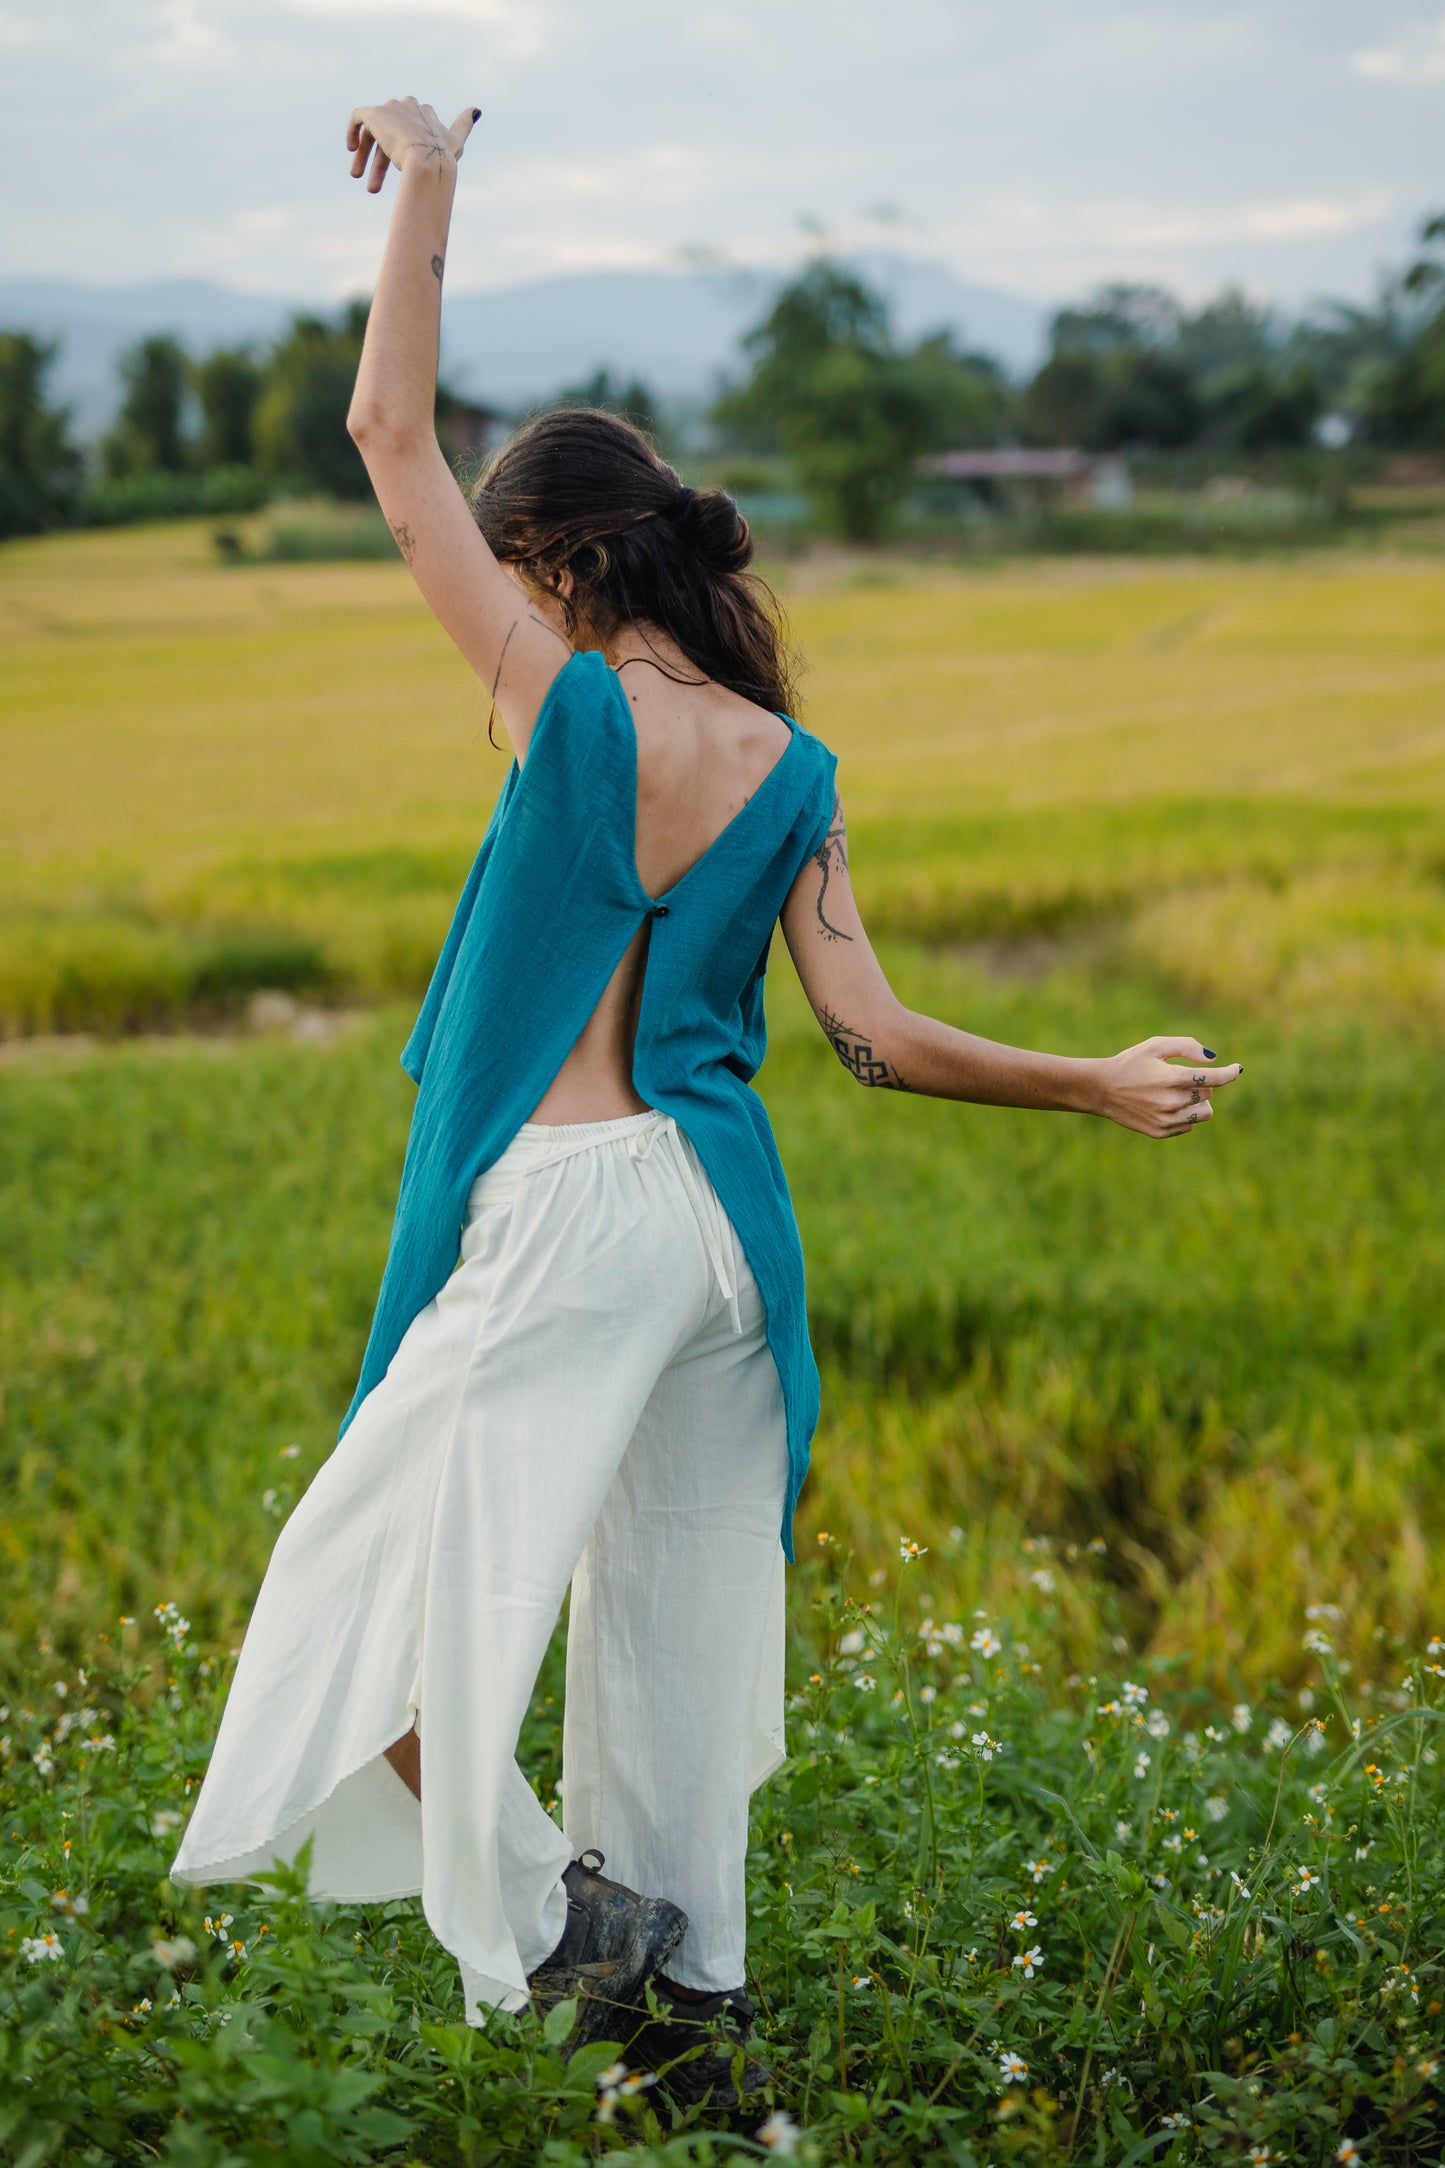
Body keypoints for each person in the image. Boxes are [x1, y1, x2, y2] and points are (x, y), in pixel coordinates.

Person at [171, 98, 1243, 2107]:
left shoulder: (565, 705)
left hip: (572, 1215)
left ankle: (566, 1925)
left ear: (558, 564)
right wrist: (1093, 1081)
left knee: (349, 1612)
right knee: (662, 1663)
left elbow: (386, 433)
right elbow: (875, 1035)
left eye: (516, 571)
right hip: (724, 1236)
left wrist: (428, 170)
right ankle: (699, 2083)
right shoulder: (788, 762)